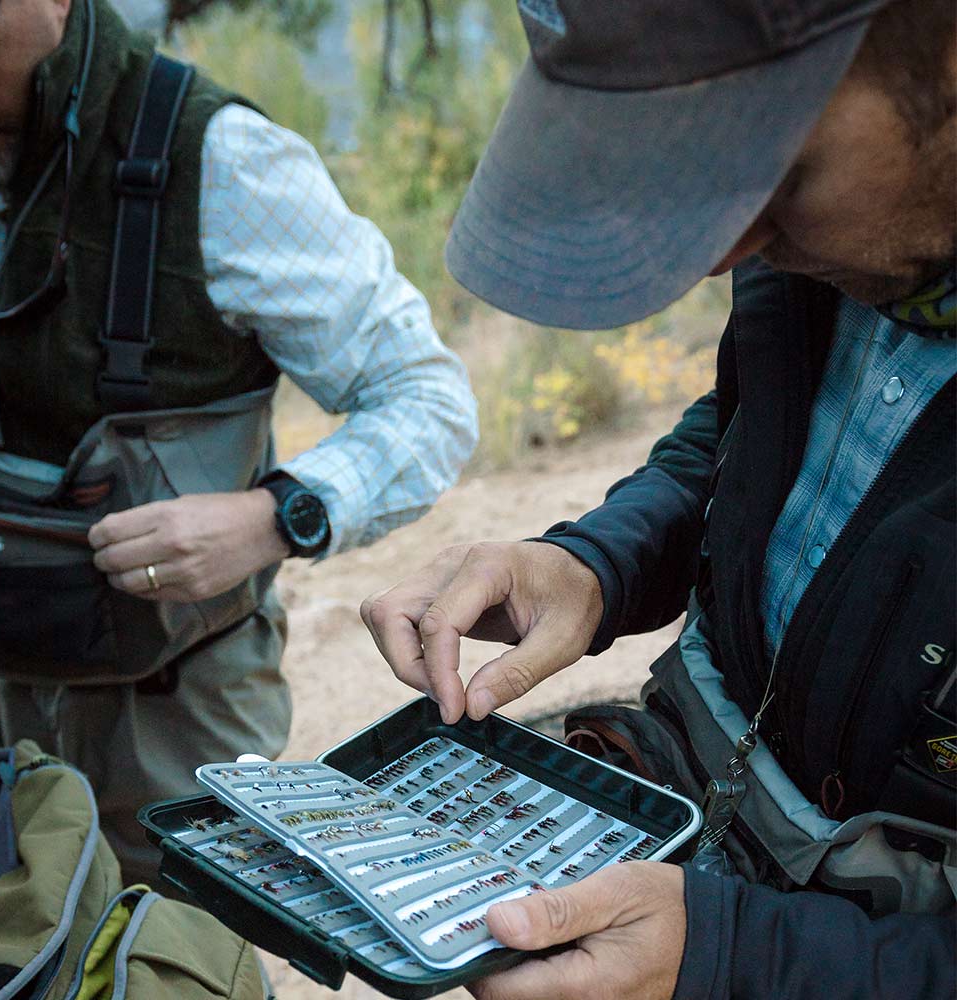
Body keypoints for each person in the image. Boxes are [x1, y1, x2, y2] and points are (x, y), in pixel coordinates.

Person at [361, 1, 955, 997]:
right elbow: (747, 430)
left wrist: (734, 961)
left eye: (770, 166)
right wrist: (598, 561)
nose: (722, 250)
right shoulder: (854, 238)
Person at [0, 0, 477, 886]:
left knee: (183, 965)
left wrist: (275, 516)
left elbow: (427, 400)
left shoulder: (226, 161)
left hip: (173, 711)